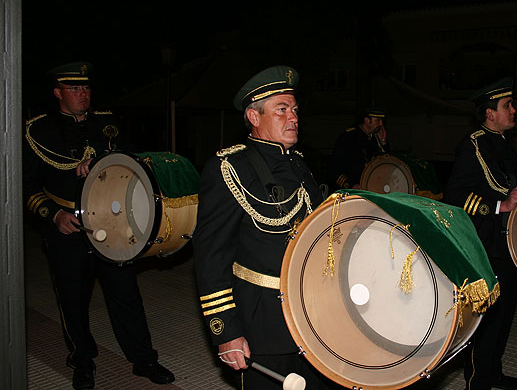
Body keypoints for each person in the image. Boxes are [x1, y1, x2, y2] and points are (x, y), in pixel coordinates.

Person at [23, 62, 175, 390]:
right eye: (75, 89)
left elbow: (134, 162)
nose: (83, 95)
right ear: (57, 92)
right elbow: (26, 186)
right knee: (72, 298)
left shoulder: (106, 123)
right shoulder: (39, 130)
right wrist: (53, 215)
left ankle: (143, 358)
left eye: (86, 88)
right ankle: (82, 359)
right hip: (68, 227)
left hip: (112, 224)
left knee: (126, 294)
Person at [192, 66, 335, 389]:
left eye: (295, 110)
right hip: (263, 321)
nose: (293, 117)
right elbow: (211, 257)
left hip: (312, 314)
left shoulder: (298, 163)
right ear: (254, 117)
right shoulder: (229, 169)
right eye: (282, 110)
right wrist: (225, 332)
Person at [444, 77, 517, 390]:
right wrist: (501, 205)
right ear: (490, 113)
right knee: (485, 317)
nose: (514, 110)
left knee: (505, 312)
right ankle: (477, 379)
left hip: (510, 244)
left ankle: (493, 371)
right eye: (508, 106)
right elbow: (455, 196)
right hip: (485, 242)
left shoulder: (509, 147)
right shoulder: (473, 144)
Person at [327, 107, 388, 190]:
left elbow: (385, 163)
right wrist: (350, 185)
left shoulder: (374, 139)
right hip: (351, 191)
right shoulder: (348, 137)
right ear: (367, 120)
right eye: (378, 120)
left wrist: (383, 142)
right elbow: (334, 168)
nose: (381, 124)